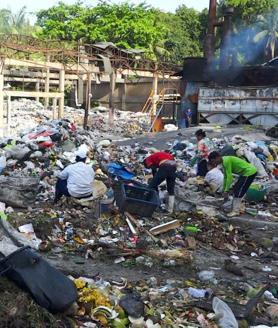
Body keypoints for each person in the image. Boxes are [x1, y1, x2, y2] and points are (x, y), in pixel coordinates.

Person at [208, 151, 258, 217]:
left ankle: (236, 211)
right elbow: (225, 177)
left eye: (213, 161)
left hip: (250, 172)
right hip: (245, 173)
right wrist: (224, 189)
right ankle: (237, 208)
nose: (214, 163)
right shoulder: (224, 161)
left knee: (239, 192)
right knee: (236, 189)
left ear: (217, 158)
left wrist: (226, 190)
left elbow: (229, 177)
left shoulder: (226, 161)